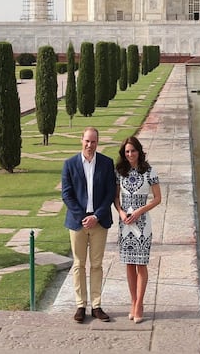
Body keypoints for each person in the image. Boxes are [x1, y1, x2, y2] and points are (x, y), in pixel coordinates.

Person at [61, 126, 116, 323]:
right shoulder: (69, 164)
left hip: (99, 222)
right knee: (78, 264)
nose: (89, 145)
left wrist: (96, 216)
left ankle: (97, 305)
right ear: (81, 141)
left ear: (97, 143)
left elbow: (110, 193)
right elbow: (66, 194)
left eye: (93, 142)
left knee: (97, 265)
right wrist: (83, 216)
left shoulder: (107, 163)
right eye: (87, 141)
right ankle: (80, 305)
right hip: (78, 222)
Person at [114, 135, 161, 323]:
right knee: (129, 264)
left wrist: (141, 211)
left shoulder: (149, 171)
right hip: (125, 224)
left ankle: (139, 303)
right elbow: (116, 198)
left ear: (139, 151)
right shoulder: (120, 171)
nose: (130, 154)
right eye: (127, 151)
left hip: (142, 225)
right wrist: (121, 213)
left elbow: (158, 198)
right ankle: (132, 301)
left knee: (141, 264)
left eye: (133, 150)